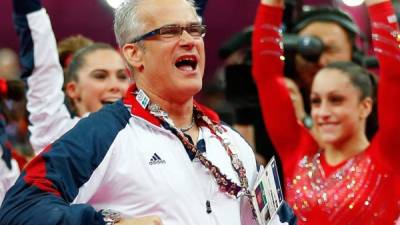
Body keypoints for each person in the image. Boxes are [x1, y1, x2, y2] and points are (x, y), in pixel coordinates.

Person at [0, 0, 298, 224]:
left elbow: (277, 218)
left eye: (195, 30)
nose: (189, 40)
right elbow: (20, 209)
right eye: (169, 31)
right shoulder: (103, 133)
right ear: (134, 53)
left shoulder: (231, 142)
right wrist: (107, 222)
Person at [252, 0, 400, 224]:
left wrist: (379, 5)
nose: (323, 112)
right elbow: (266, 76)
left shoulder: (387, 158)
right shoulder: (298, 154)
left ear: (365, 106)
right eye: (316, 101)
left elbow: (394, 74)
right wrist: (271, 4)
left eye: (336, 100)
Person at [12, 0, 131, 154]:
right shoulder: (58, 132)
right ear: (72, 89)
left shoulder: (146, 134)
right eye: (100, 76)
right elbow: (42, 64)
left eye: (122, 77)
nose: (115, 85)